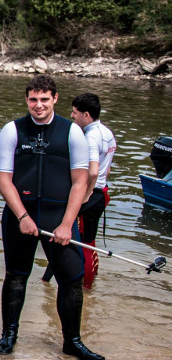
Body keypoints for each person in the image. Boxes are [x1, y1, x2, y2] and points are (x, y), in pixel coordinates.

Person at [0, 74, 104, 360]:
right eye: (33, 99)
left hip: (59, 215)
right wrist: (23, 216)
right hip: (21, 215)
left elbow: (80, 181)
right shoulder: (12, 130)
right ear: (27, 100)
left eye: (44, 99)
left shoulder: (72, 132)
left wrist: (67, 224)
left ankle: (72, 341)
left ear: (55, 99)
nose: (38, 105)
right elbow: (3, 178)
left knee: (72, 278)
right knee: (16, 276)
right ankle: (9, 335)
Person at [41, 93, 116, 289]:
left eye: (75, 113)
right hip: (102, 192)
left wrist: (86, 194)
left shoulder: (90, 137)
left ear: (86, 115)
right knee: (86, 240)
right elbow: (106, 169)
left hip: (91, 194)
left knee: (65, 234)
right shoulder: (107, 132)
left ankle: (73, 284)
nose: (72, 116)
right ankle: (82, 284)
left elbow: (92, 171)